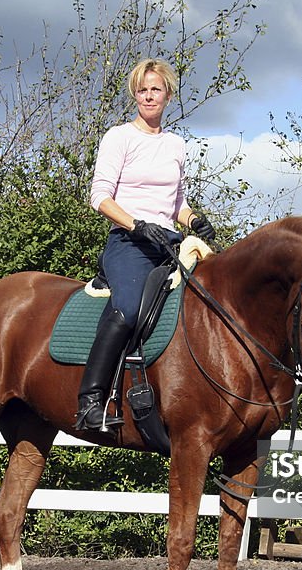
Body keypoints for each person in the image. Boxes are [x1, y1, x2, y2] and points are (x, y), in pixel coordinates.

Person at [75, 58, 215, 431]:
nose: (148, 95)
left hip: (168, 244)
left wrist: (194, 220)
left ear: (168, 94)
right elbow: (100, 197)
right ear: (135, 95)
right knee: (129, 309)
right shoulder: (119, 137)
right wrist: (137, 226)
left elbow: (176, 205)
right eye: (142, 89)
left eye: (155, 89)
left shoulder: (175, 145)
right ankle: (90, 400)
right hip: (128, 241)